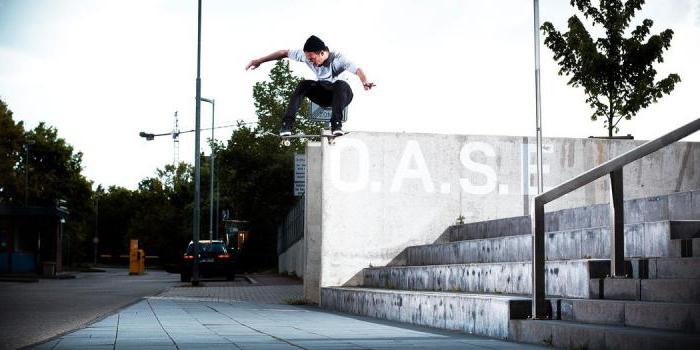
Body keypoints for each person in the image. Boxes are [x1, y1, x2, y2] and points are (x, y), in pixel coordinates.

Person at [246, 35, 374, 136]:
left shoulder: (338, 59)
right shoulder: (306, 56)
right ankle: (287, 124)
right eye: (308, 59)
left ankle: (336, 124)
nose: (310, 62)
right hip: (323, 95)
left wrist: (364, 81)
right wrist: (259, 61)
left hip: (342, 95)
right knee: (303, 84)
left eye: (312, 59)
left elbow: (357, 70)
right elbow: (283, 53)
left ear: (322, 53)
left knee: (340, 84)